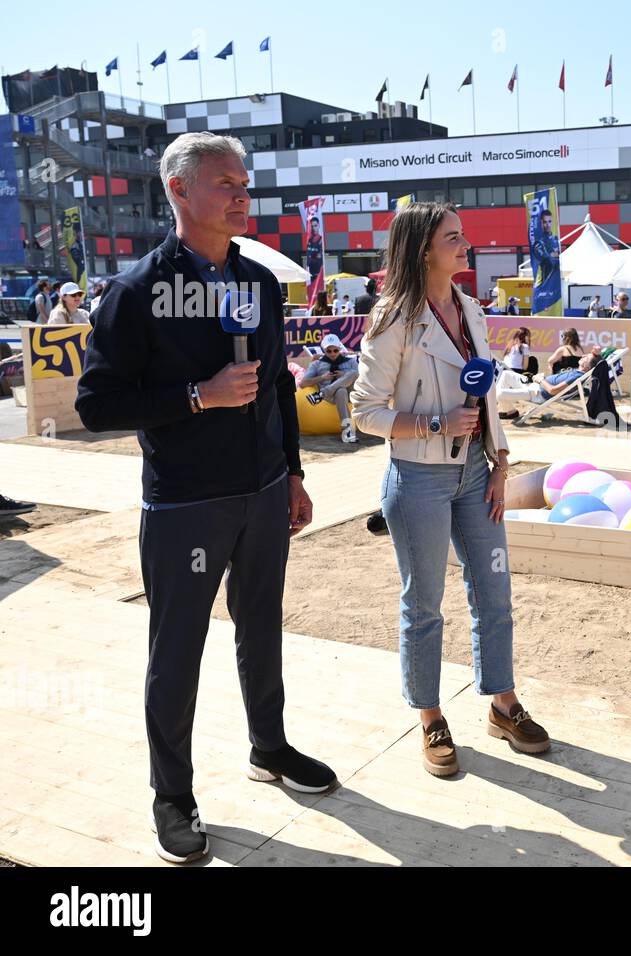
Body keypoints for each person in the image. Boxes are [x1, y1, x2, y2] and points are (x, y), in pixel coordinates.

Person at [75, 131, 333, 865]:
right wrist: (198, 396)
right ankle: (173, 795)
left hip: (261, 493)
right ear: (179, 192)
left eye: (243, 181)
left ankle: (271, 747)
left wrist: (291, 470)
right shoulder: (136, 291)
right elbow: (96, 406)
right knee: (177, 652)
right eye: (226, 182)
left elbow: (279, 383)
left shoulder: (256, 283)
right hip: (187, 503)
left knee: (263, 628)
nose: (242, 193)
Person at [350, 201, 548, 779]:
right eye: (454, 239)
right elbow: (365, 412)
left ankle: (503, 704)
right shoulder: (392, 319)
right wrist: (434, 425)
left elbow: (482, 393)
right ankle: (431, 716)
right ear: (422, 251)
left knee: (495, 592)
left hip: (476, 474)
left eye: (463, 236)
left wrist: (500, 457)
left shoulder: (469, 307)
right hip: (418, 480)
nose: (466, 246)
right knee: (424, 605)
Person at [301, 333, 359, 442]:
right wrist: (322, 377)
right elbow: (303, 383)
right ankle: (348, 433)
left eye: (335, 350)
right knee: (341, 391)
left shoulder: (350, 361)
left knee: (353, 373)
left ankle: (322, 393)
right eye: (329, 351)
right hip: (332, 397)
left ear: (339, 349)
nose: (332, 353)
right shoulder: (317, 364)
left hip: (350, 392)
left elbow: (361, 379)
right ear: (324, 350)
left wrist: (344, 375)